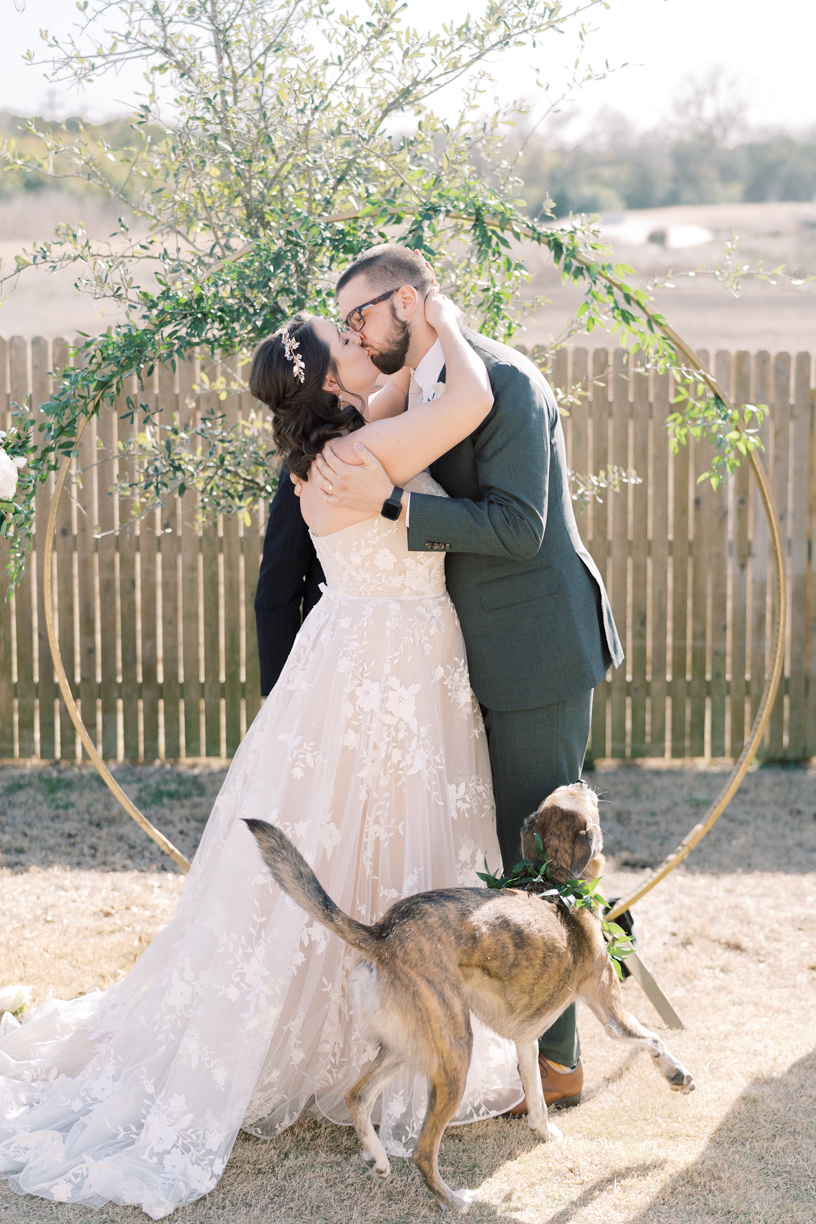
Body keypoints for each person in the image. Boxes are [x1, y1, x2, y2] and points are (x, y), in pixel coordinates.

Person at [0, 289, 525, 1220]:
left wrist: (402, 344)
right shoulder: (366, 450)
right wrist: (437, 309)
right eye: (348, 339)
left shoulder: (345, 441)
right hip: (392, 666)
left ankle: (365, 1032)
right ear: (330, 378)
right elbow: (471, 400)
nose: (365, 341)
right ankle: (388, 1038)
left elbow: (403, 388)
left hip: (361, 653)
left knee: (366, 841)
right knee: (380, 837)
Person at [305, 244, 623, 1109]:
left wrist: (399, 508)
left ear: (407, 304)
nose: (354, 334)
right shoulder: (431, 382)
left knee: (545, 859)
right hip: (471, 654)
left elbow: (521, 528)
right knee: (513, 859)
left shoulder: (507, 383)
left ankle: (557, 1067)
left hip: (534, 651)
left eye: (360, 316)